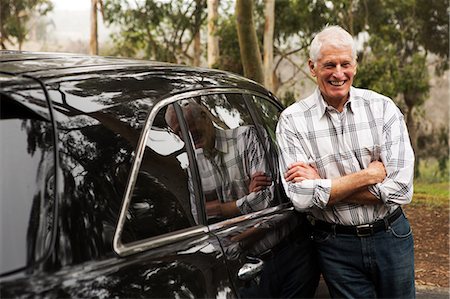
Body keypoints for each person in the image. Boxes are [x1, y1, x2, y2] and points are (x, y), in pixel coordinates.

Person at [276, 25, 415, 298]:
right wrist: (368, 176)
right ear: (312, 67)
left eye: (345, 64)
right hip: (336, 244)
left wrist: (322, 185)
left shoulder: (383, 109)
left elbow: (401, 189)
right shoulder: (292, 121)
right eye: (329, 65)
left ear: (355, 65)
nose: (338, 74)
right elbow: (301, 198)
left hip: (391, 237)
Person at [166, 99, 320, 298]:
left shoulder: (246, 137)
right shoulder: (195, 167)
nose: (186, 134)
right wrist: (248, 199)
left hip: (290, 255)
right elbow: (202, 221)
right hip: (247, 269)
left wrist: (221, 210)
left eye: (188, 125)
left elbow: (267, 201)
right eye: (178, 131)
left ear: (205, 116)